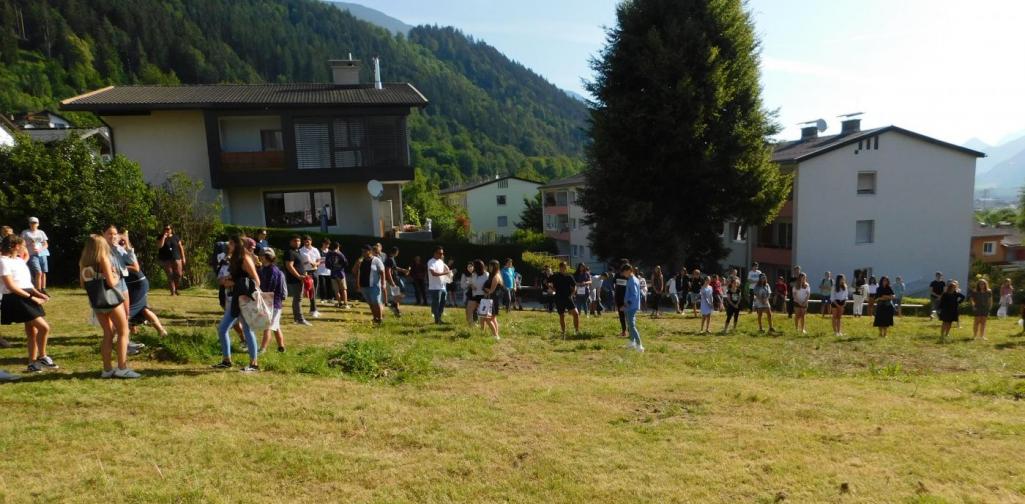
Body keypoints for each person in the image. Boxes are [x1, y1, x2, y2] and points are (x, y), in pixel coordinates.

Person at [79, 235, 140, 379]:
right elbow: (112, 283)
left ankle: (107, 369)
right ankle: (122, 368)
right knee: (123, 331)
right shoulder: (103, 259)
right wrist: (115, 275)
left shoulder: (83, 262)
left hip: (96, 302)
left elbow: (83, 284)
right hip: (111, 300)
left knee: (107, 333)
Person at [1, 236, 55, 374]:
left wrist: (38, 293)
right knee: (44, 328)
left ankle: (32, 363)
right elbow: (11, 286)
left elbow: (26, 282)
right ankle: (42, 356)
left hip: (26, 295)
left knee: (33, 331)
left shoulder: (19, 260)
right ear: (14, 246)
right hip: (15, 298)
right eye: (23, 245)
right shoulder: (2, 261)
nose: (25, 248)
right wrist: (32, 298)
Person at [212, 236, 261, 372]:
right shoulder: (234, 258)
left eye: (231, 243)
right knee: (223, 329)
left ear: (236, 245)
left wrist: (234, 283)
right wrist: (227, 280)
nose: (228, 245)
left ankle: (254, 364)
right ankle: (226, 361)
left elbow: (256, 280)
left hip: (244, 300)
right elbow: (238, 276)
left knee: (247, 329)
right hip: (235, 300)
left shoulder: (245, 258)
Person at [105, 225, 144, 356]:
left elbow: (132, 262)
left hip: (122, 282)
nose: (113, 236)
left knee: (126, 314)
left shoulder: (118, 248)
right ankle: (115, 344)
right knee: (116, 317)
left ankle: (126, 343)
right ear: (103, 235)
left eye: (115, 234)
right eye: (110, 233)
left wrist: (126, 245)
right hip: (111, 284)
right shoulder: (102, 249)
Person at [124, 230, 168, 338]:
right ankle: (159, 331)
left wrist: (119, 267)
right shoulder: (116, 252)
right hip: (131, 285)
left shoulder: (128, 253)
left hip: (138, 284)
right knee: (142, 309)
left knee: (131, 309)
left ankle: (123, 335)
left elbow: (135, 268)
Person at [258, 248, 287, 354]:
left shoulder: (273, 270)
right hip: (269, 301)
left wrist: (261, 295)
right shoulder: (264, 268)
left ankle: (262, 349)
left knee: (268, 326)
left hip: (273, 303)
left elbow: (270, 288)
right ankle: (281, 347)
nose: (260, 257)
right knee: (275, 326)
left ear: (266, 257)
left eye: (261, 255)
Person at [354, 245, 386, 325]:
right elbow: (354, 271)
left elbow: (382, 272)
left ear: (370, 251)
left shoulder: (376, 260)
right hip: (364, 286)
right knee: (371, 303)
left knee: (376, 302)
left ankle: (380, 319)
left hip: (374, 286)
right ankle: (375, 318)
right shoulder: (361, 261)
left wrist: (383, 283)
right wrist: (357, 263)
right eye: (362, 251)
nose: (363, 253)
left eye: (365, 251)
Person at [284, 235, 311, 326]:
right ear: (290, 242)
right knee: (298, 299)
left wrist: (305, 273)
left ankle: (297, 318)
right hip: (295, 279)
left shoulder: (297, 251)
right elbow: (289, 266)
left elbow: (299, 265)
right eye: (295, 241)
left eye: (299, 241)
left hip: (301, 278)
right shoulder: (289, 252)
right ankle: (300, 319)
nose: (297, 243)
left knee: (298, 298)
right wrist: (299, 276)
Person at [552, 261, 580, 337]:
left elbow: (575, 286)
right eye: (563, 267)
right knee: (562, 315)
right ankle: (563, 332)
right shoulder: (555, 276)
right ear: (560, 268)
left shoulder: (569, 276)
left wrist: (573, 294)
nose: (564, 269)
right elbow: (549, 284)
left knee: (576, 314)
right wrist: (552, 288)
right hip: (559, 298)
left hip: (568, 297)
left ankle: (577, 332)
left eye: (565, 267)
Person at [157, 224, 186, 296]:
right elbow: (160, 246)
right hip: (166, 259)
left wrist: (183, 257)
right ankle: (173, 292)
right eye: (165, 229)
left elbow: (181, 247)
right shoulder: (160, 237)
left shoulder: (176, 237)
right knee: (170, 275)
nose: (166, 230)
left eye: (168, 229)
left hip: (177, 258)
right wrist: (164, 237)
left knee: (179, 274)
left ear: (171, 230)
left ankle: (176, 289)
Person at [21, 217, 49, 291]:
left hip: (43, 254)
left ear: (38, 224)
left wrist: (41, 249)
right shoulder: (25, 232)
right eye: (31, 223)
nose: (33, 224)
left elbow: (46, 244)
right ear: (29, 224)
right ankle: (38, 290)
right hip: (32, 254)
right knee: (38, 272)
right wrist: (29, 244)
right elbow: (22, 244)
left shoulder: (41, 232)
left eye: (35, 223)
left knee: (43, 272)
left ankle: (43, 289)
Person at [621, 263, 644, 352]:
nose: (623, 274)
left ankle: (639, 345)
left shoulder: (632, 280)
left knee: (632, 326)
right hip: (630, 306)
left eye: (624, 272)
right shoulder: (632, 279)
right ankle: (632, 342)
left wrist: (626, 305)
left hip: (631, 306)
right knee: (630, 326)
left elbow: (634, 295)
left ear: (629, 271)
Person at [426, 247, 451, 324]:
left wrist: (448, 274)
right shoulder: (431, 262)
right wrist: (446, 273)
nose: (442, 255)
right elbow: (433, 274)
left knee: (442, 303)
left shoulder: (441, 261)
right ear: (435, 253)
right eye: (440, 253)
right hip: (435, 287)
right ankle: (437, 319)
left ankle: (439, 318)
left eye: (442, 253)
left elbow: (446, 270)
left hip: (442, 286)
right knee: (436, 303)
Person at [299, 235, 322, 319]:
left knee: (315, 291)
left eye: (308, 240)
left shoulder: (315, 250)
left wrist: (316, 264)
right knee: (311, 290)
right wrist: (307, 263)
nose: (306, 242)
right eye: (305, 241)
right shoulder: (301, 250)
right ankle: (313, 310)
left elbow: (319, 259)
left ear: (311, 241)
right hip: (307, 272)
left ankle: (313, 309)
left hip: (315, 271)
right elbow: (300, 263)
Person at [480, 259, 503, 339]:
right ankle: (496, 335)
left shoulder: (495, 277)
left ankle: (495, 335)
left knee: (487, 318)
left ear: (494, 267)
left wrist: (485, 289)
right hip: (492, 299)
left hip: (491, 300)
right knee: (493, 318)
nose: (489, 267)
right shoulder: (495, 275)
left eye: (490, 266)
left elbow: (491, 291)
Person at [325, 242, 350, 309]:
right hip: (341, 273)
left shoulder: (328, 254)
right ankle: (345, 303)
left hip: (333, 273)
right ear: (338, 247)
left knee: (336, 290)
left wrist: (332, 268)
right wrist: (340, 267)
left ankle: (339, 303)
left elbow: (327, 265)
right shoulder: (340, 253)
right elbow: (346, 262)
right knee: (343, 289)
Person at [384, 247, 408, 316]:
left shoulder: (392, 258)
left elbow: (394, 268)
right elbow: (388, 271)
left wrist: (403, 270)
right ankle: (393, 304)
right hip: (394, 280)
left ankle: (397, 311)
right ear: (396, 252)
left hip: (395, 279)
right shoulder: (389, 259)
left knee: (397, 294)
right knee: (402, 293)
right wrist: (392, 282)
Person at [465, 260, 488, 326]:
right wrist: (471, 285)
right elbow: (470, 282)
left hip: (483, 296)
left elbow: (489, 285)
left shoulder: (486, 274)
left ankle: (483, 329)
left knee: (483, 314)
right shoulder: (474, 274)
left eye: (474, 266)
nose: (473, 267)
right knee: (468, 311)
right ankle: (471, 326)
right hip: (474, 295)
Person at [613, 259, 629, 337]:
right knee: (621, 314)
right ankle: (624, 331)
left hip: (627, 297)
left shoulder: (629, 275)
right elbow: (615, 285)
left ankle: (631, 330)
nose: (624, 265)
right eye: (623, 264)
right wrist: (615, 296)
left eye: (625, 264)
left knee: (628, 314)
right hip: (619, 296)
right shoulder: (617, 274)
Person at [316, 238, 334, 304]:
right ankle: (322, 298)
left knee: (329, 286)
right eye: (326, 243)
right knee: (322, 285)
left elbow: (332, 261)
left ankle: (330, 298)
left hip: (329, 272)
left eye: (328, 244)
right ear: (323, 243)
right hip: (320, 271)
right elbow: (317, 260)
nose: (327, 245)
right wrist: (322, 260)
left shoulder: (330, 252)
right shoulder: (318, 251)